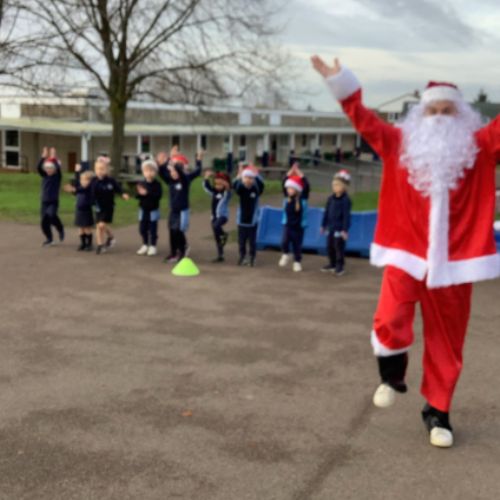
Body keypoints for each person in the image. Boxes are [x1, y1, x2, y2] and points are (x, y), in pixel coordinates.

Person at [312, 54, 500, 448]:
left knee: (448, 340)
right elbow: (364, 120)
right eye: (432, 110)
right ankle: (392, 371)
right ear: (420, 113)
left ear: (462, 115)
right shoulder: (398, 143)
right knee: (392, 315)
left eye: (448, 111)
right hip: (405, 253)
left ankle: (438, 412)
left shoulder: (479, 147)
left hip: (455, 264)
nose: (440, 117)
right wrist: (343, 87)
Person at [157, 146, 202, 263]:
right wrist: (162, 162)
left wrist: (171, 159)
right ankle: (173, 253)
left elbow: (196, 171)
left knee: (178, 231)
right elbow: (161, 173)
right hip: (174, 210)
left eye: (174, 170)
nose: (172, 173)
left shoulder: (185, 179)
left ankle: (182, 251)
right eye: (171, 171)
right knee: (171, 231)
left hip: (182, 211)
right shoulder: (171, 180)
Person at [90, 156, 129, 254]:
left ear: (107, 170)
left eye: (102, 169)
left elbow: (118, 189)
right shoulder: (94, 181)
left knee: (101, 224)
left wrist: (123, 194)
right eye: (97, 169)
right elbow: (88, 191)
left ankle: (110, 238)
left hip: (108, 207)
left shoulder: (110, 181)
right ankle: (100, 245)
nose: (99, 171)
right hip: (98, 207)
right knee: (99, 226)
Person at [279, 163, 310, 272]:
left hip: (299, 227)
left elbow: (306, 185)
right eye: (288, 188)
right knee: (284, 241)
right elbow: (283, 183)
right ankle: (285, 254)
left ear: (296, 190)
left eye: (291, 188)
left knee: (297, 246)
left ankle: (297, 262)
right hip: (287, 225)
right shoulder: (287, 198)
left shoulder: (302, 199)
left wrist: (300, 174)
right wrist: (290, 172)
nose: (289, 190)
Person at [321, 169, 352, 275]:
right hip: (330, 227)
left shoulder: (345, 200)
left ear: (343, 187)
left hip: (339, 229)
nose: (335, 187)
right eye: (333, 185)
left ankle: (340, 265)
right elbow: (326, 212)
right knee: (329, 246)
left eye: (337, 185)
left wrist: (345, 229)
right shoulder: (330, 199)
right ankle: (332, 263)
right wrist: (323, 225)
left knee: (338, 247)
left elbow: (346, 216)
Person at [232, 163, 265, 266]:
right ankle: (242, 256)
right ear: (243, 178)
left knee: (252, 242)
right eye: (246, 177)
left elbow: (261, 185)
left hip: (252, 221)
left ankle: (252, 257)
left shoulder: (256, 189)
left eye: (251, 178)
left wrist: (256, 174)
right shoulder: (241, 189)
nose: (248, 180)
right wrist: (239, 174)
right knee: (241, 242)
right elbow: (234, 185)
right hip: (241, 221)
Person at [37, 147, 65, 246]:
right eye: (47, 168)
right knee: (44, 222)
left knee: (51, 215)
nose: (49, 170)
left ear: (54, 169)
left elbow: (58, 167)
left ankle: (60, 228)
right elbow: (38, 167)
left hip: (53, 201)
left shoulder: (57, 177)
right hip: (44, 201)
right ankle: (49, 238)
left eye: (51, 168)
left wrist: (53, 157)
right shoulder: (44, 175)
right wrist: (43, 156)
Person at [64, 164, 95, 251]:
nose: (83, 182)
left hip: (86, 211)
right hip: (79, 211)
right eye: (82, 180)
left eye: (85, 180)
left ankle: (89, 244)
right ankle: (83, 244)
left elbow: (80, 189)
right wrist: (77, 172)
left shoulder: (88, 189)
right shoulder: (80, 187)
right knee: (80, 228)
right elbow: (77, 183)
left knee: (87, 228)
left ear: (90, 182)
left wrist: (74, 189)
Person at [203, 170, 232, 262]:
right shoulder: (214, 192)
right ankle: (220, 255)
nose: (218, 186)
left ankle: (224, 234)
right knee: (216, 237)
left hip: (223, 216)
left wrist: (225, 183)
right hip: (214, 217)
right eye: (216, 184)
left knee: (216, 226)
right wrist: (206, 177)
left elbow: (228, 189)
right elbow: (206, 187)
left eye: (220, 185)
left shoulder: (226, 194)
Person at [135, 159, 163, 257]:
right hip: (143, 209)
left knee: (152, 229)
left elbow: (158, 195)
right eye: (147, 171)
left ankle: (153, 246)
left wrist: (147, 193)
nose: (149, 173)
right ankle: (145, 244)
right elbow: (137, 196)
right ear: (143, 172)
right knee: (142, 228)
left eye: (151, 170)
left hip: (153, 210)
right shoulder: (141, 183)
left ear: (155, 172)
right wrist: (139, 193)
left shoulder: (157, 184)